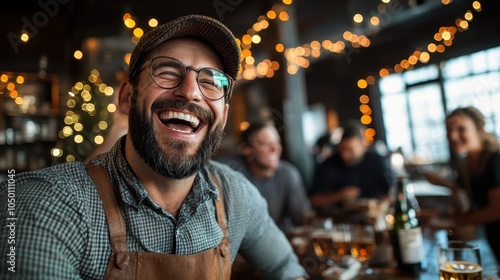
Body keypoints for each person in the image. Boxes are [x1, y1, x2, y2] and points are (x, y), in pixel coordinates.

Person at [0, 15, 307, 280]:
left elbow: (285, 266)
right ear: (126, 98)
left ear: (223, 116)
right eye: (167, 71)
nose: (190, 92)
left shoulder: (236, 196)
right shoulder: (47, 205)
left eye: (212, 81)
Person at [423, 106, 500, 260]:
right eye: (449, 130)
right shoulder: (465, 165)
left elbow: (496, 210)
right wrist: (449, 186)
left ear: (479, 130)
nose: (452, 136)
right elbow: (464, 207)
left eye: (461, 129)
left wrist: (453, 222)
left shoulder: (495, 159)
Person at [217, 121, 312, 235]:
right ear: (247, 149)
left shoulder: (288, 174)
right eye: (265, 143)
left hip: (280, 242)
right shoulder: (229, 172)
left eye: (277, 142)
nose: (275, 148)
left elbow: (302, 219)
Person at [310, 121, 393, 210]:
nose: (344, 155)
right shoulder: (329, 165)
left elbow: (393, 192)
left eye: (350, 150)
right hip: (341, 218)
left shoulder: (377, 161)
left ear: (363, 146)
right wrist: (339, 195)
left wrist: (381, 206)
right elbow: (314, 200)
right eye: (342, 149)